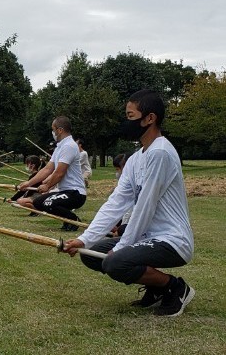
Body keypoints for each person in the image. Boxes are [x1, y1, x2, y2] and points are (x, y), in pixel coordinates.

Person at [64, 90, 195, 317]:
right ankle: (156, 289)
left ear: (149, 118)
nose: (126, 122)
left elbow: (146, 206)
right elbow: (116, 202)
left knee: (116, 262)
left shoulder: (161, 153)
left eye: (130, 115)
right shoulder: (135, 159)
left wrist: (122, 246)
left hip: (172, 239)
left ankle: (175, 287)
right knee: (90, 253)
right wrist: (84, 239)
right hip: (148, 238)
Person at [19, 116, 86, 231]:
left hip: (75, 192)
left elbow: (59, 173)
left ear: (60, 130)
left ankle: (73, 220)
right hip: (64, 191)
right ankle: (66, 220)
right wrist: (29, 183)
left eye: (53, 129)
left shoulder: (69, 146)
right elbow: (47, 169)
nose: (53, 132)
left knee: (48, 203)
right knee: (38, 202)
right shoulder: (60, 147)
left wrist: (47, 186)